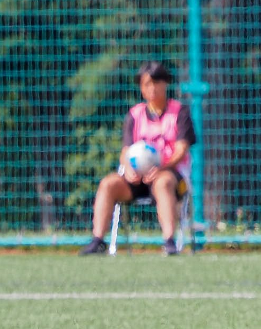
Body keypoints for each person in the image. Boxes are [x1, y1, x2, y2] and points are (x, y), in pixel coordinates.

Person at [80, 61, 196, 256]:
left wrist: (162, 168)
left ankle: (169, 241)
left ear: (165, 83)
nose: (152, 88)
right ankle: (98, 240)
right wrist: (129, 168)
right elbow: (126, 151)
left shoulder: (180, 112)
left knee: (163, 183)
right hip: (137, 177)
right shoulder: (135, 115)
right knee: (108, 184)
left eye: (156, 83)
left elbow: (181, 149)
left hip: (170, 176)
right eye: (146, 84)